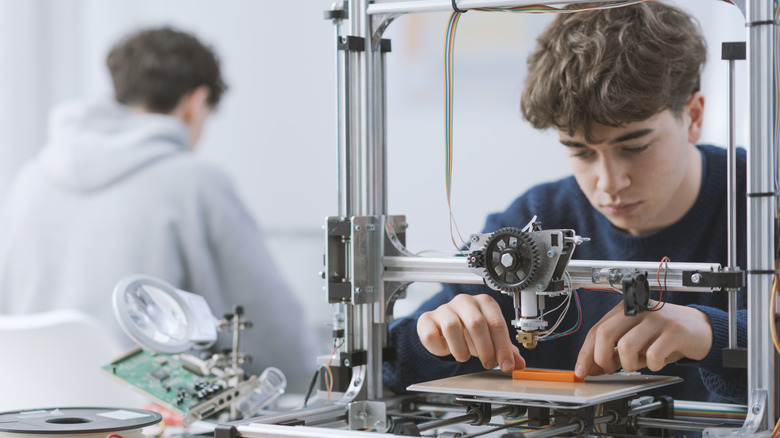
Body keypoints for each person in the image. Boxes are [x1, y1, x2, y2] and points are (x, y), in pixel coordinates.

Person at [383, 1, 747, 405]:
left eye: (636, 146)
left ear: (694, 116)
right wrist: (430, 339)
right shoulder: (534, 217)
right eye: (581, 152)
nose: (609, 183)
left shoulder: (764, 205)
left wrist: (715, 334)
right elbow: (389, 365)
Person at [0, 27, 316, 391]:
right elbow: (278, 341)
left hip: (29, 413)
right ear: (194, 103)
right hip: (145, 418)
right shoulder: (197, 183)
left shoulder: (31, 179)